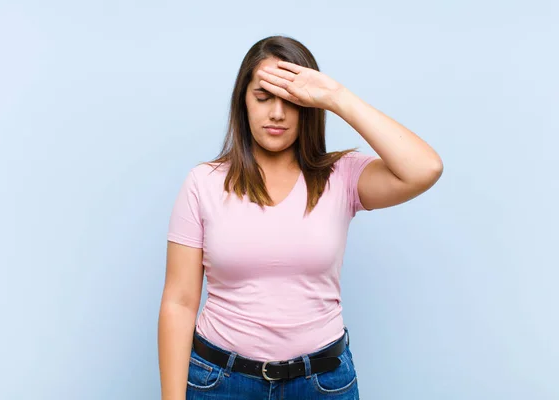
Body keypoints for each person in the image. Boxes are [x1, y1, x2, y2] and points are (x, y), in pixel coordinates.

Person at [158, 35, 443, 400]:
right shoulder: (204, 183)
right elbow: (179, 302)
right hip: (220, 382)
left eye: (291, 101)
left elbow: (425, 169)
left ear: (309, 106)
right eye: (263, 97)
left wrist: (338, 97)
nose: (276, 113)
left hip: (322, 383)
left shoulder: (342, 176)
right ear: (243, 101)